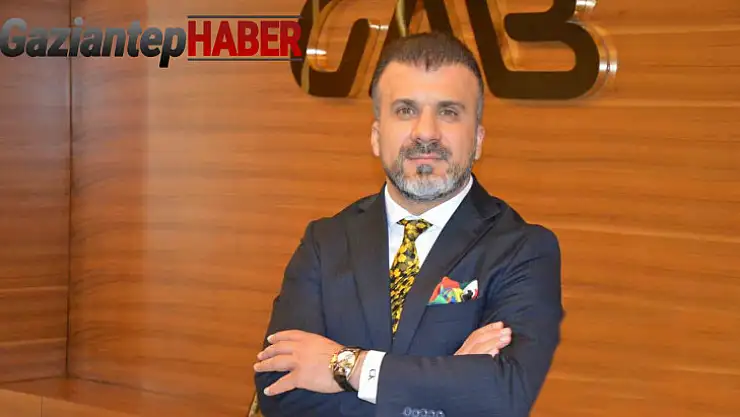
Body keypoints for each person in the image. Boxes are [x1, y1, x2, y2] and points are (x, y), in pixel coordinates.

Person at [252, 31, 564, 417]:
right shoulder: (325, 242)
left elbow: (502, 395)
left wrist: (345, 365)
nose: (426, 132)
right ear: (376, 136)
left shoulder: (523, 250)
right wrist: (447, 386)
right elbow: (278, 388)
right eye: (405, 110)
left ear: (479, 139)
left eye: (449, 112)